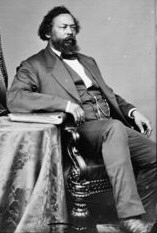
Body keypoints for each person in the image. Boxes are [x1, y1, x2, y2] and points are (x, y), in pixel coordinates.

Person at [7, 6, 157, 233]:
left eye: (73, 27)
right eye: (64, 27)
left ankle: (139, 224)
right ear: (48, 32)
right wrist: (64, 104)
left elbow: (108, 94)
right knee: (113, 128)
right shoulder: (34, 65)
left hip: (110, 128)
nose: (70, 32)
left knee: (154, 156)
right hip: (79, 131)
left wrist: (132, 111)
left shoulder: (88, 61)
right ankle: (130, 216)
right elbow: (16, 98)